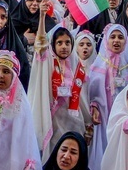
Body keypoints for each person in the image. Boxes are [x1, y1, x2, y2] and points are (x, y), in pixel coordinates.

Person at [30, 9, 91, 162]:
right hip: (54, 120)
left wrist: (88, 121)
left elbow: (82, 97)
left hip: (73, 120)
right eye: (59, 43)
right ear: (53, 45)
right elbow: (40, 44)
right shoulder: (48, 62)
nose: (64, 47)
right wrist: (42, 17)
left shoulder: (77, 65)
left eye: (67, 43)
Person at [87, 23, 128, 170]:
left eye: (120, 37)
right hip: (104, 119)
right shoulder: (98, 66)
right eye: (112, 37)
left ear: (126, 42)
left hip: (125, 120)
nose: (116, 41)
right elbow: (91, 94)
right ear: (106, 41)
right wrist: (94, 106)